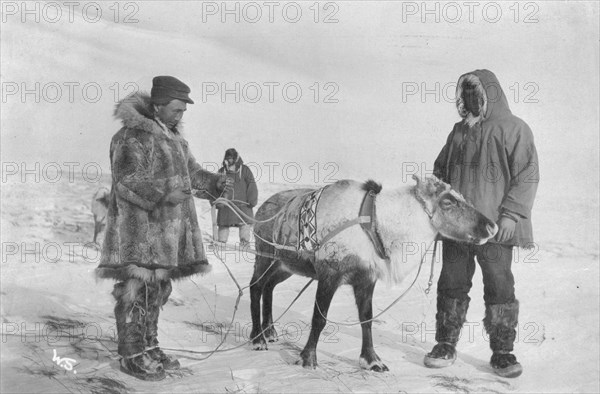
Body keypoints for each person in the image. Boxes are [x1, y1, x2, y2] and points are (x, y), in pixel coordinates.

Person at [96, 76, 231, 381]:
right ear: (157, 106)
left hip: (169, 235)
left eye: (183, 111)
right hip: (138, 232)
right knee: (136, 290)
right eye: (177, 109)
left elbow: (191, 173)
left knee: (159, 288)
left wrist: (213, 182)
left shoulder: (175, 139)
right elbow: (127, 182)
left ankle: (149, 345)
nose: (181, 116)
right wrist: (163, 194)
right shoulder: (131, 136)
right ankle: (131, 354)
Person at [424, 69, 539, 378]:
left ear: (490, 96)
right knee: (452, 283)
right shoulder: (458, 132)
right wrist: (436, 197)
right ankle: (445, 344)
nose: (471, 100)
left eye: (477, 94)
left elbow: (527, 175)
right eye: (466, 94)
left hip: (495, 228)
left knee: (500, 285)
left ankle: (503, 353)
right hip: (458, 229)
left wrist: (511, 215)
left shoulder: (514, 129)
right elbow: (440, 171)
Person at [216, 148, 258, 246]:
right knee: (223, 225)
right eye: (227, 158)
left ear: (235, 159)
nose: (229, 160)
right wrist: (218, 202)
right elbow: (215, 188)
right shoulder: (222, 171)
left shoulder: (245, 170)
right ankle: (221, 242)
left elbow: (252, 185)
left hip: (243, 205)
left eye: (231, 158)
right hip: (226, 205)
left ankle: (244, 242)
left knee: (244, 223)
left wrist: (252, 200)